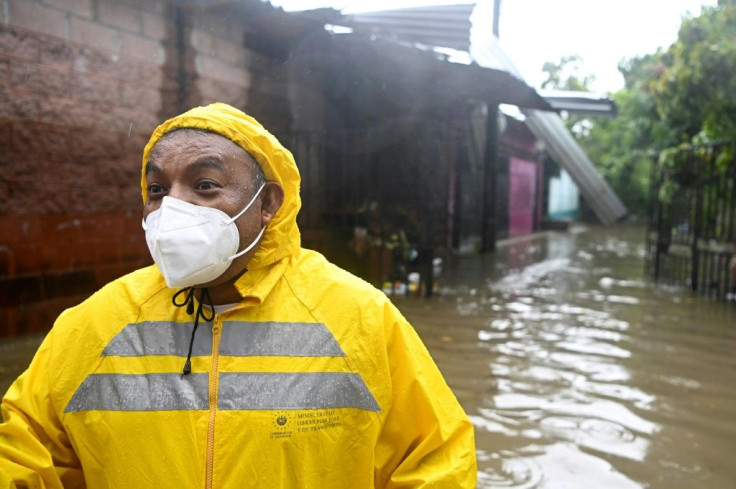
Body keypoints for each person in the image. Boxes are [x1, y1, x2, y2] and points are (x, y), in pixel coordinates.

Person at [0, 103, 477, 488]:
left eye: (205, 186)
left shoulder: (360, 318)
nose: (173, 209)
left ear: (267, 203)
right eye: (157, 189)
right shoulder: (95, 323)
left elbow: (436, 464)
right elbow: (21, 450)